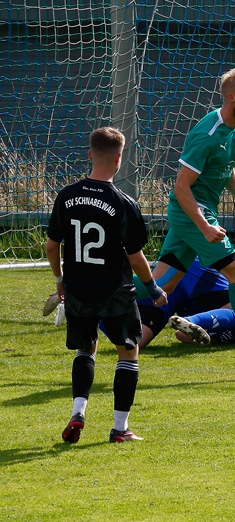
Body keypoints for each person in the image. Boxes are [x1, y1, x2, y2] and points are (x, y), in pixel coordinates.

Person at [136, 66, 235, 373]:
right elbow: (181, 187)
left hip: (199, 213)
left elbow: (226, 167)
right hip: (191, 213)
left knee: (159, 286)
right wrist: (205, 226)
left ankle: (87, 293)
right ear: (231, 96)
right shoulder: (207, 133)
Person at [45, 127, 166, 444]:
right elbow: (136, 256)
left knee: (86, 349)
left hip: (77, 289)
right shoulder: (123, 202)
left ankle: (79, 411)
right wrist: (153, 288)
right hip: (115, 291)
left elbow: (52, 245)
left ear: (89, 155)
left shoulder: (66, 196)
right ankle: (120, 428)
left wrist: (60, 281)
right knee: (128, 351)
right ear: (119, 158)